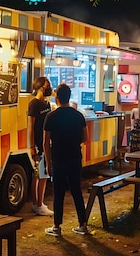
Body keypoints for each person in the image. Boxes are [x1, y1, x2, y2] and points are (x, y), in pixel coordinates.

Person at [43, 84, 89, 237]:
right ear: (69, 97)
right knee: (76, 191)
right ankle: (82, 224)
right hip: (75, 157)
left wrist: (48, 163)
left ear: (56, 98)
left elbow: (45, 142)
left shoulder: (51, 116)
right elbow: (85, 138)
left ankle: (57, 227)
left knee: (59, 193)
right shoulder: (78, 115)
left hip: (58, 158)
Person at [27, 77, 55, 216]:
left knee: (40, 175)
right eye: (47, 86)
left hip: (46, 143)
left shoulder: (47, 103)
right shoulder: (34, 104)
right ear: (39, 87)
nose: (49, 88)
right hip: (38, 143)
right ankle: (38, 204)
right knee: (40, 175)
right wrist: (31, 146)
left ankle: (38, 203)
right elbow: (31, 126)